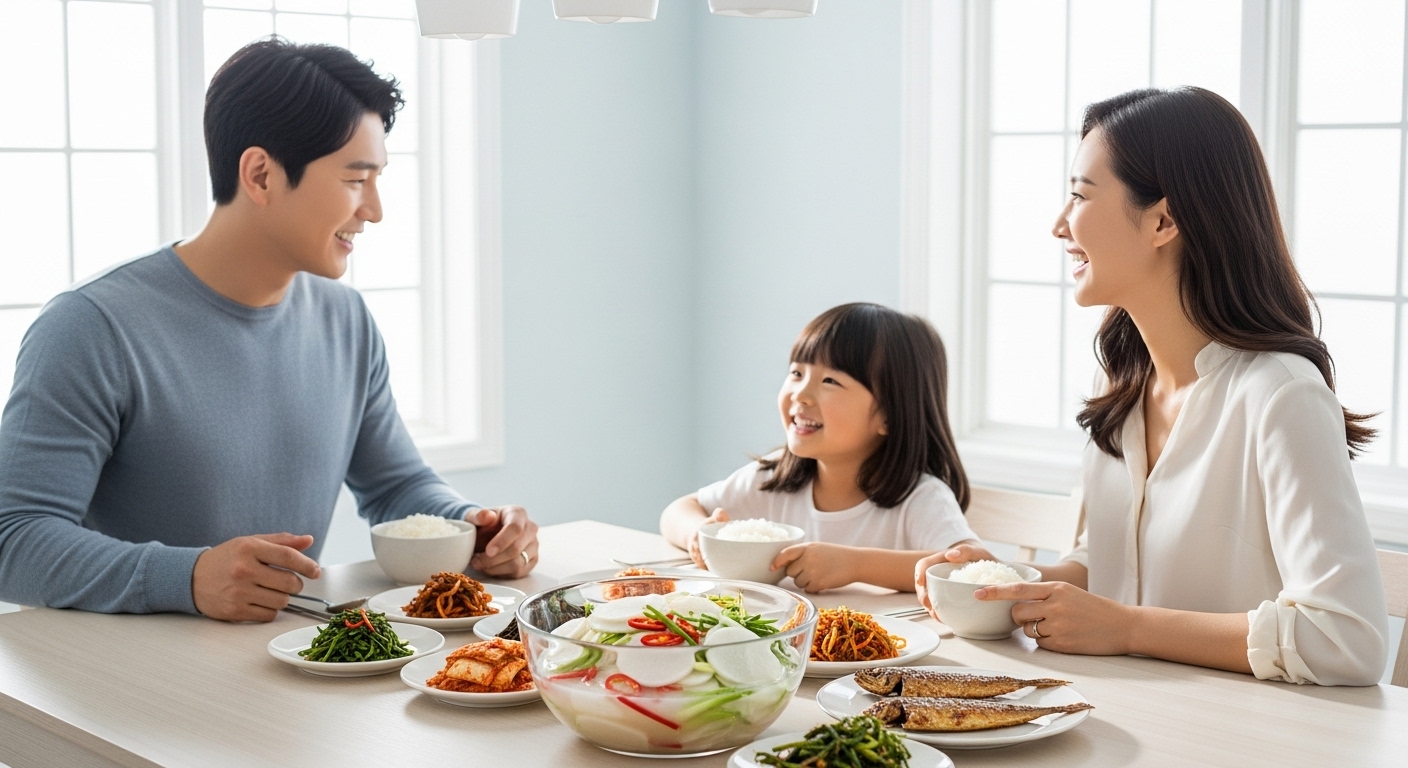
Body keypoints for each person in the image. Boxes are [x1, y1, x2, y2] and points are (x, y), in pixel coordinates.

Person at [0, 39, 538, 622]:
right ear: (260, 174)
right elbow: (14, 540)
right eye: (356, 179)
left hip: (284, 664)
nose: (375, 210)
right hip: (127, 690)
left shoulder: (345, 319)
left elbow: (397, 487)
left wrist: (472, 528)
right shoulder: (91, 328)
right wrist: (186, 576)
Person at [915, 87, 1390, 686]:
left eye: (1080, 196)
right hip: (1119, 718)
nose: (1059, 225)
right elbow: (1111, 565)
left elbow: (1348, 639)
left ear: (1163, 220)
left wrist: (1128, 628)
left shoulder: (1281, 396)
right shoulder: (1120, 382)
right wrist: (1003, 582)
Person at [661, 303, 978, 592]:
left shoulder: (921, 498)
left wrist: (856, 565)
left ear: (889, 416)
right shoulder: (773, 478)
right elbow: (678, 509)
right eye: (797, 373)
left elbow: (971, 566)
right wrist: (697, 533)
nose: (801, 394)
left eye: (830, 381)